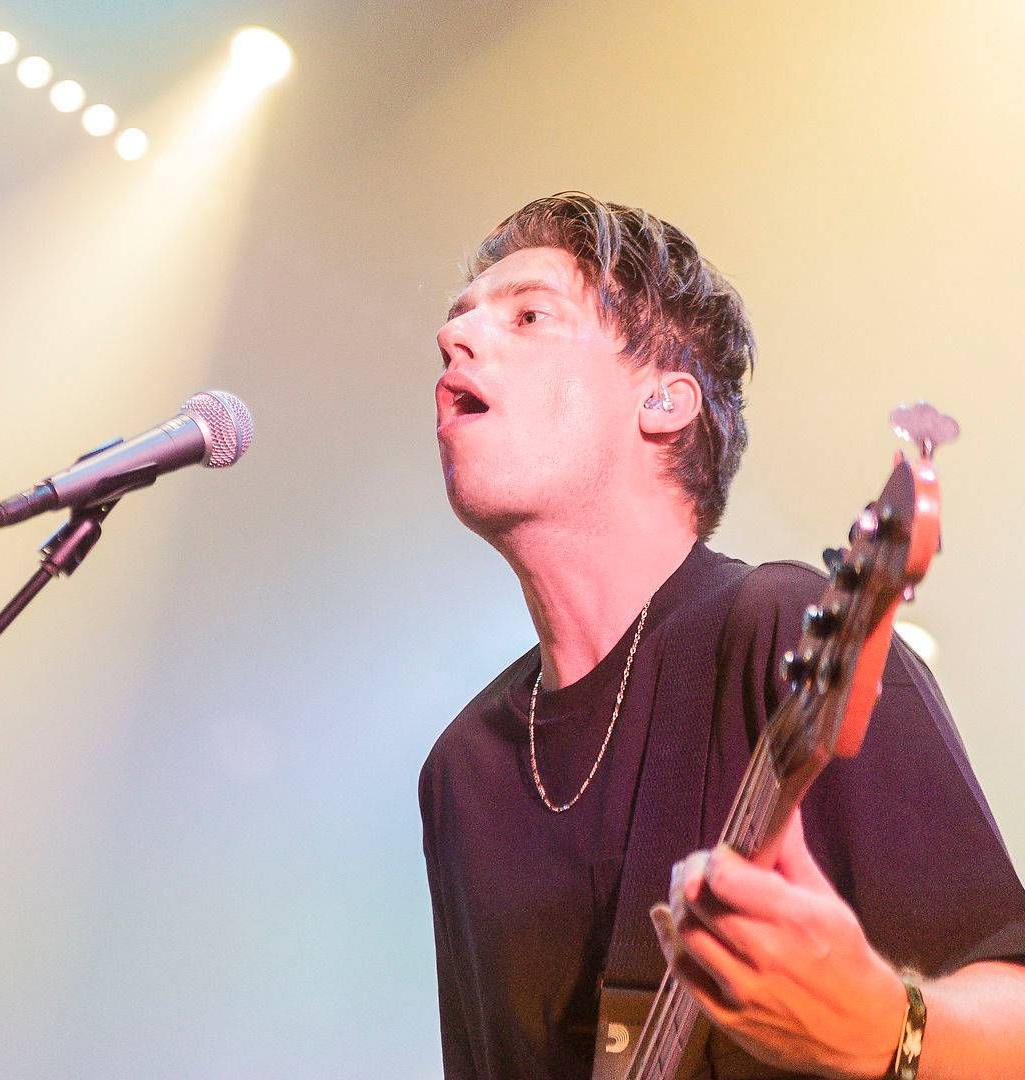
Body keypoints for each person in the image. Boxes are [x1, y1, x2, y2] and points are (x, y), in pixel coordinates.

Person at [419, 192, 1025, 1079]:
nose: (456, 341)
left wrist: (884, 1027)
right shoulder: (463, 769)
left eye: (529, 315)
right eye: (457, 321)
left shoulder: (781, 631)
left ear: (664, 400)